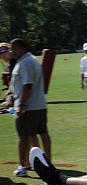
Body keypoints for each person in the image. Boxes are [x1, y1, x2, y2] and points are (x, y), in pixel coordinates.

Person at [10, 38, 51, 177]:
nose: (12, 52)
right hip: (39, 104)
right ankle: (44, 163)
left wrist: (21, 104)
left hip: (28, 106)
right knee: (40, 134)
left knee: (23, 137)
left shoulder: (25, 62)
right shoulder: (32, 59)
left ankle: (22, 166)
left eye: (14, 49)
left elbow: (27, 85)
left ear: (21, 48)